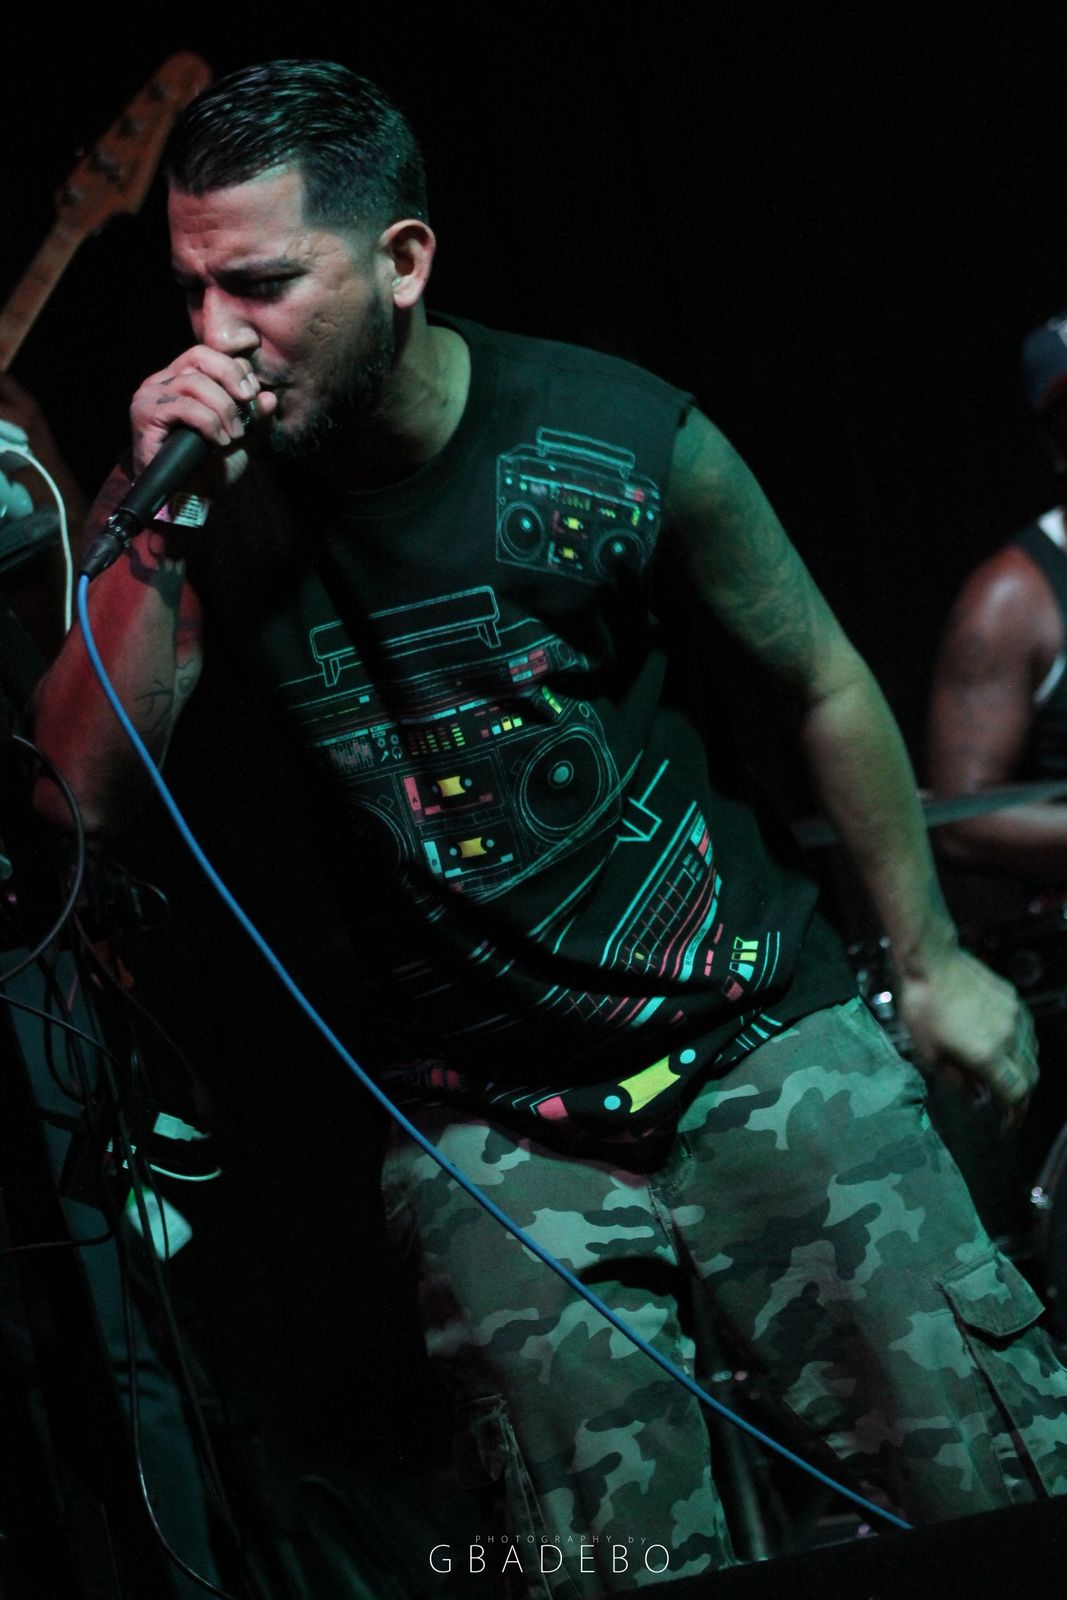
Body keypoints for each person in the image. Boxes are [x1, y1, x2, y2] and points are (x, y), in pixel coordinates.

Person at [30, 59, 1067, 1595]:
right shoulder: (200, 503)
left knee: (995, 1482)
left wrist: (929, 960)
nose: (216, 334)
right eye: (192, 289)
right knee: (599, 1562)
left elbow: (821, 680)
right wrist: (155, 521)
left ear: (401, 262)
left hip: (752, 1041)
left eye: (261, 284)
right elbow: (78, 790)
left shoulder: (616, 431)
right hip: (489, 1127)